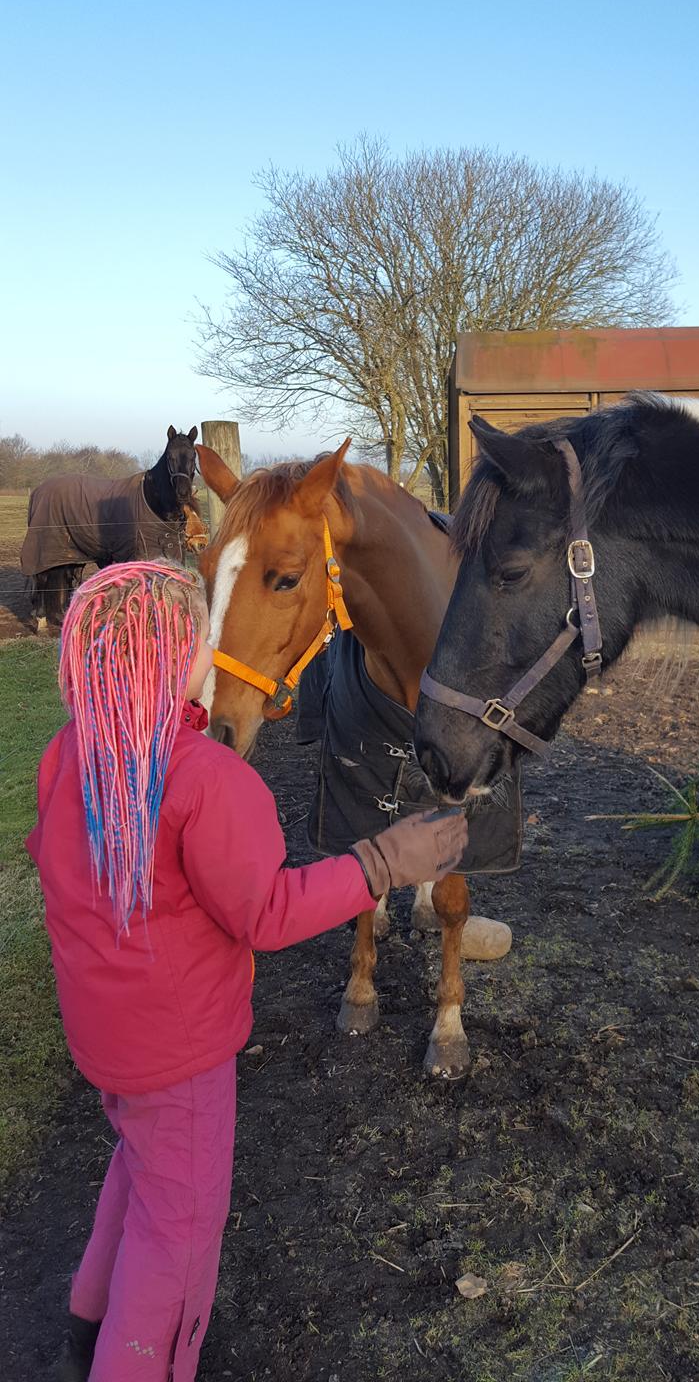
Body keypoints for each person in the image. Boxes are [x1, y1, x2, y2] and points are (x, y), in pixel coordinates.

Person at [26, 561, 466, 1382]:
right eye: (204, 636)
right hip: (180, 1057)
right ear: (180, 657)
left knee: (134, 1172)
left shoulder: (70, 755)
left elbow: (53, 862)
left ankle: (87, 1325)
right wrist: (381, 861)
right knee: (179, 1233)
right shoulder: (205, 781)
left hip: (108, 1044)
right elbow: (265, 913)